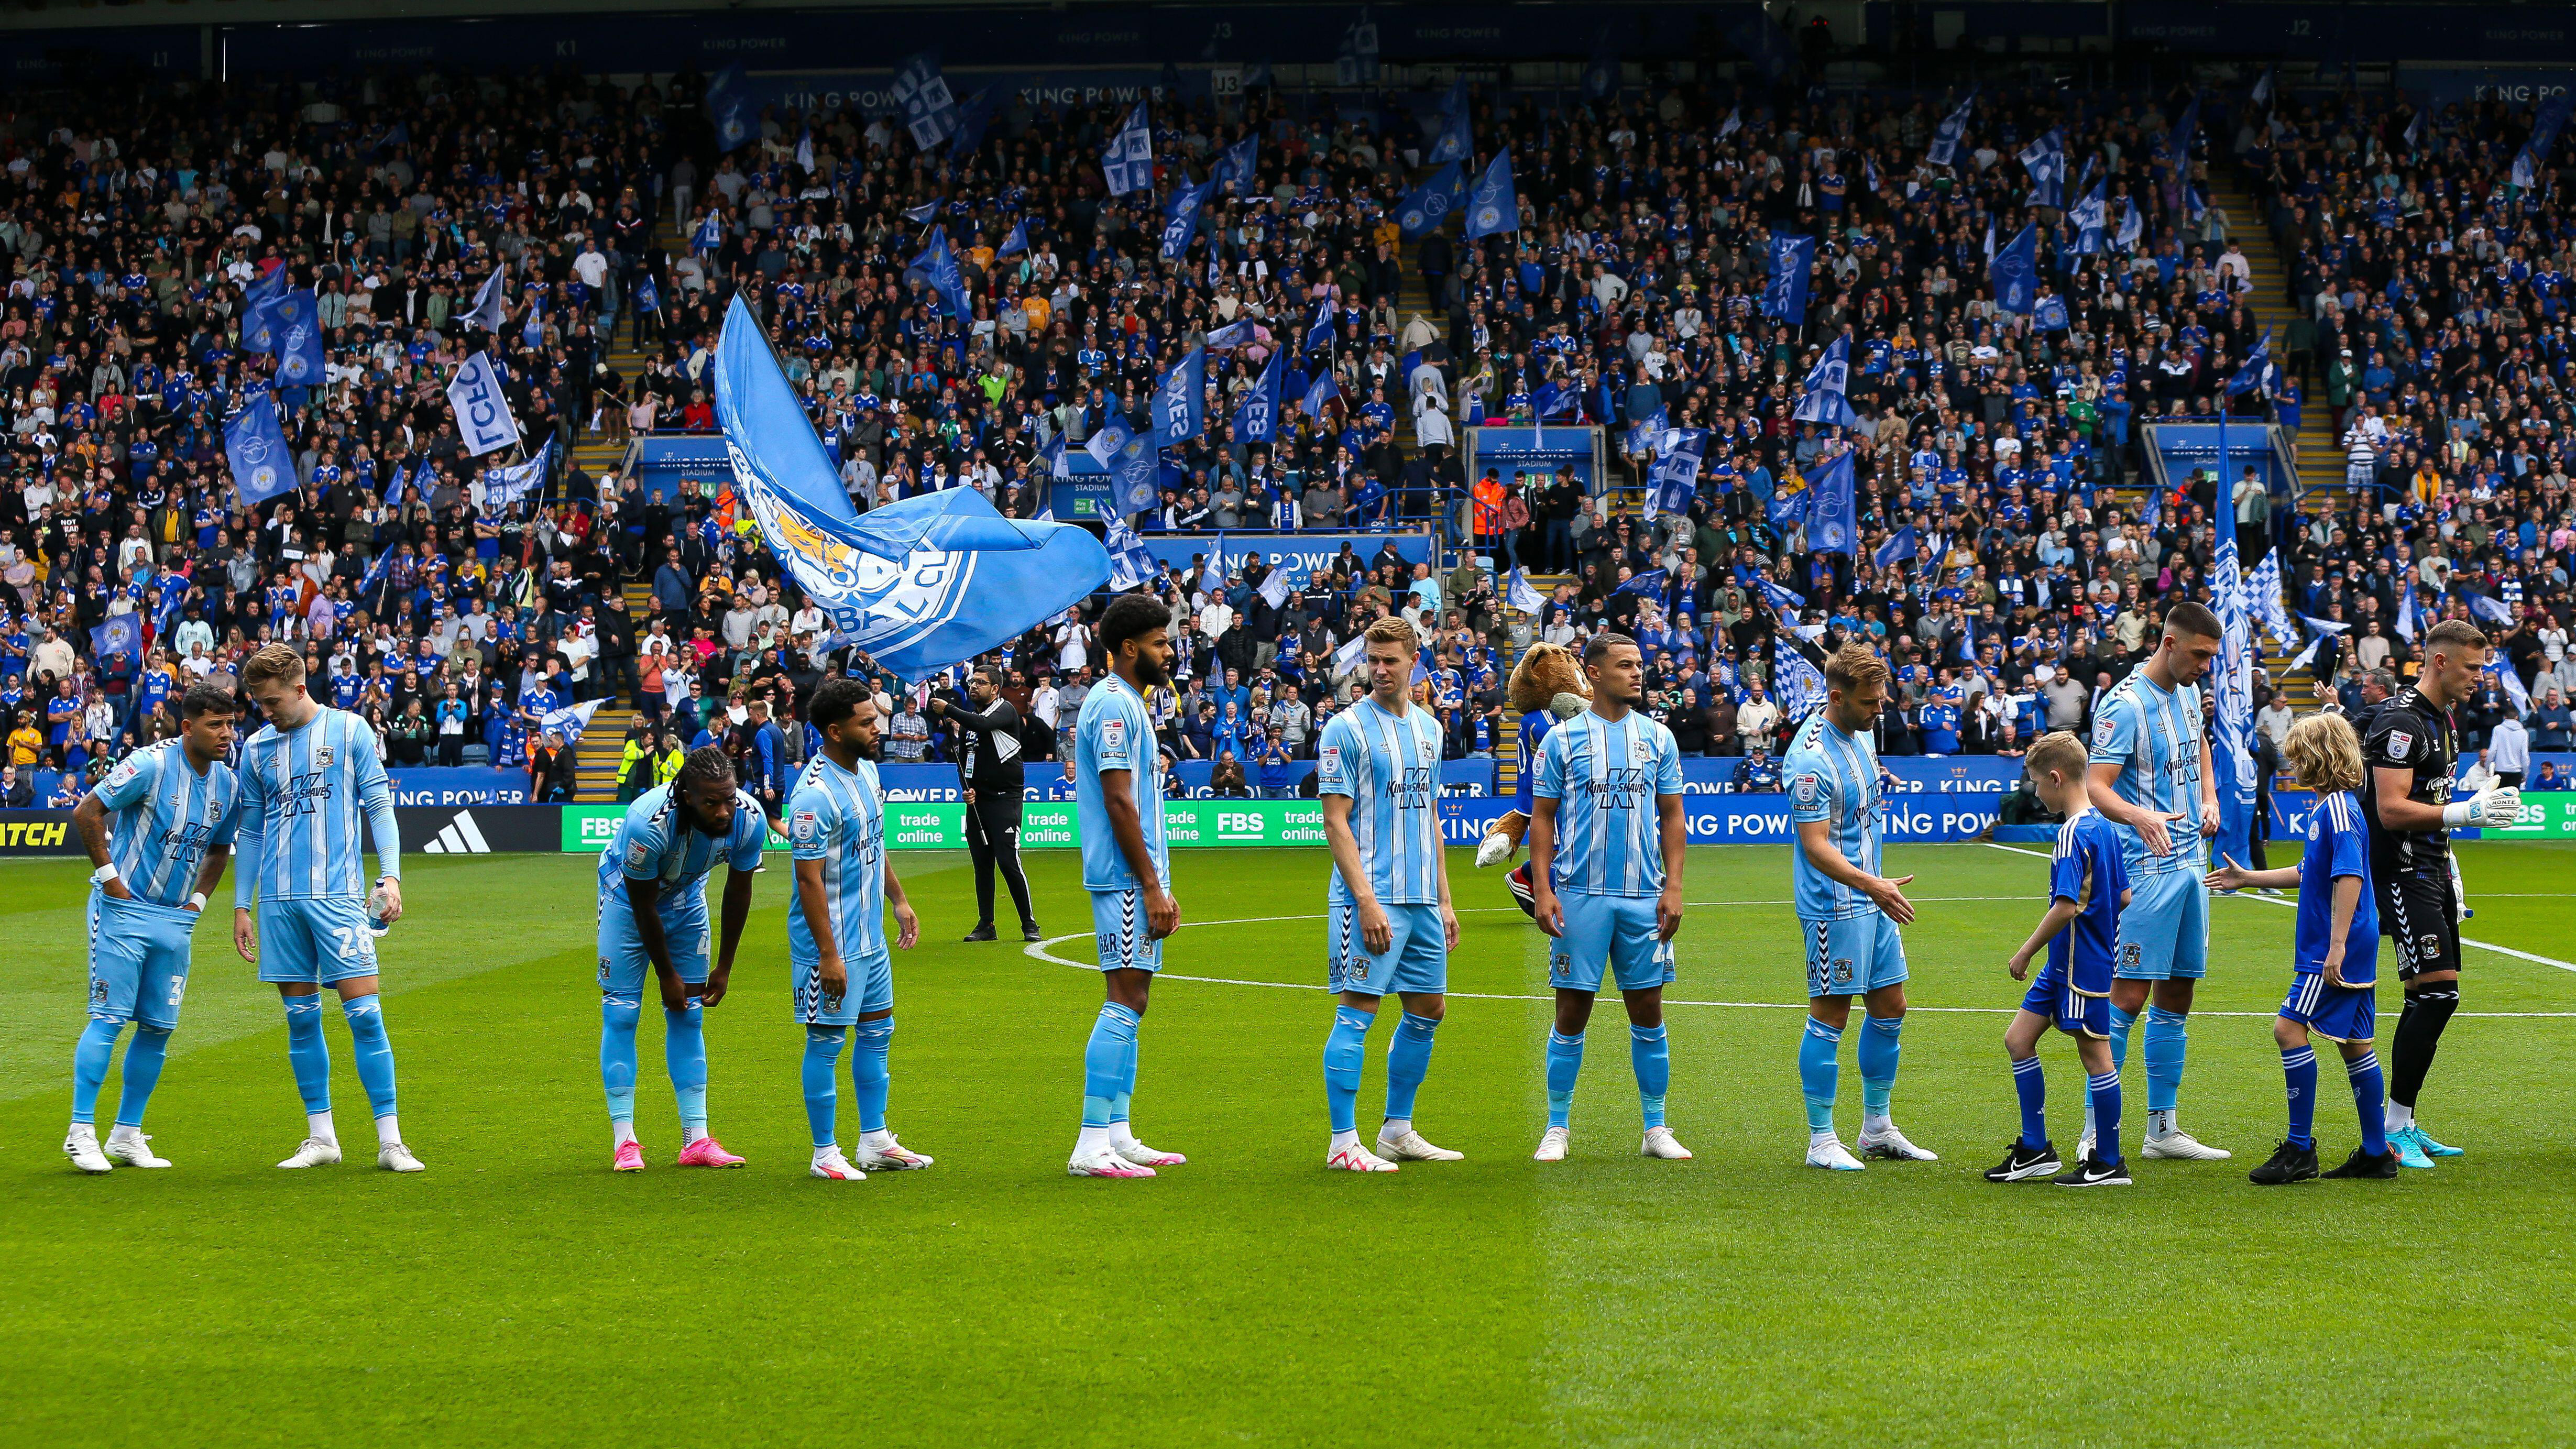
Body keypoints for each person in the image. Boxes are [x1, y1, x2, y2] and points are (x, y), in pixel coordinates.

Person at [229, 644, 418, 1172]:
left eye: (271, 701)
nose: (266, 711)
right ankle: (322, 1138)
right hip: (279, 904)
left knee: (365, 1017)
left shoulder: (350, 729)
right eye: (259, 703)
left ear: (298, 686)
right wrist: (242, 906)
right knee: (300, 1020)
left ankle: (391, 1141)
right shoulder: (256, 748)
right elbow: (250, 829)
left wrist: (391, 876)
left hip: (337, 900)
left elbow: (378, 803)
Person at [2209, 713, 2402, 1183]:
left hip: (2331, 948)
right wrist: (2249, 878)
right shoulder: (2334, 807)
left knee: (2288, 1030)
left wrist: (2334, 946)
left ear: (2317, 758)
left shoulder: (2336, 809)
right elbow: (2306, 871)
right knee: (2356, 1045)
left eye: (2297, 757)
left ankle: (2299, 1151)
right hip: (2349, 944)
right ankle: (2375, 1153)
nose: (2291, 766)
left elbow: (2350, 875)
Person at [62, 684, 243, 1173]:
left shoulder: (228, 784)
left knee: (159, 1027)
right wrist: (112, 882)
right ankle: (80, 1133)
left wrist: (199, 903)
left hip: (175, 919)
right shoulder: (150, 764)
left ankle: (126, 1134)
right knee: (109, 1017)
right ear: (187, 727)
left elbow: (219, 848)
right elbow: (87, 812)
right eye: (215, 725)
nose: (226, 734)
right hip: (123, 910)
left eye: (230, 724)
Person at [1527, 632, 1692, 1163]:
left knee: (1648, 1009)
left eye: (1640, 665)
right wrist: (1545, 889)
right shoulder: (1562, 741)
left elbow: (1672, 816)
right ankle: (1557, 1127)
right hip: (1579, 895)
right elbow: (1543, 819)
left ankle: (1656, 1127)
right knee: (1571, 1012)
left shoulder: (1659, 739)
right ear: (1594, 674)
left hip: (1644, 896)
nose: (1637, 673)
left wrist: (1673, 886)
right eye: (1625, 666)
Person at [2361, 619, 2522, 1168]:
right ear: (2440, 662)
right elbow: (2390, 809)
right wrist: (2466, 812)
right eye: (2473, 667)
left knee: (2431, 998)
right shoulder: (2403, 721)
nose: (2482, 677)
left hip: (2432, 870)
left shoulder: (2441, 719)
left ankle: (2400, 1122)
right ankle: (2392, 1127)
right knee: (2437, 995)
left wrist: (2451, 860)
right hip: (2403, 874)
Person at [1314, 617, 1464, 1173]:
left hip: (1422, 897)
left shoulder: (1430, 729)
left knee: (1428, 1009)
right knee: (1358, 1012)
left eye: (1390, 660)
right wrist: (1366, 900)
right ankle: (1342, 1142)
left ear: (1413, 662)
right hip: (1370, 898)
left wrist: (1445, 900)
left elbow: (1430, 820)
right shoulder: (1345, 730)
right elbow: (1335, 822)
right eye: (1371, 660)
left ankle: (1397, 1130)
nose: (1379, 670)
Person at [2081, 602, 2229, 1163]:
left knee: (2180, 991)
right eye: (2198, 655)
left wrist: (2210, 797)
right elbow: (2098, 786)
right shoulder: (2124, 705)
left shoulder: (2190, 693)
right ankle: (2099, 1128)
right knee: (2128, 995)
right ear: (2168, 643)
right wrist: (2140, 817)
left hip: (2193, 862)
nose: (2203, 667)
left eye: (2210, 658)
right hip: (2144, 869)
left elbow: (2202, 750)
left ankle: (2162, 1129)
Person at [1784, 644, 1936, 1170]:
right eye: (1870, 702)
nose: (1880, 711)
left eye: (1882, 700)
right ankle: (1821, 1140)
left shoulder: (1864, 734)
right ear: (1836, 697)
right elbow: (1816, 845)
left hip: (1875, 897)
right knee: (1831, 1015)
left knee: (1891, 1006)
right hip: (1835, 904)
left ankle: (1876, 1128)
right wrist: (1872, 885)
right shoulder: (1809, 760)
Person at [593, 745, 767, 1172]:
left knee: (689, 1015)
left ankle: (697, 1140)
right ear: (686, 797)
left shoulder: (749, 819)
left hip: (688, 901)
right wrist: (667, 975)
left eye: (729, 797)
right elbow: (643, 904)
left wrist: (724, 966)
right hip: (626, 902)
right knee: (621, 1015)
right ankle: (625, 1141)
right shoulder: (646, 825)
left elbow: (738, 890)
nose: (725, 811)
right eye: (712, 802)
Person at [1068, 594, 1189, 1178]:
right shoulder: (1114, 706)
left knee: (1134, 999)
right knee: (1126, 997)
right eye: (1161, 643)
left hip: (1133, 878)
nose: (1169, 652)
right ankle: (1091, 1143)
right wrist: (1149, 885)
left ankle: (1118, 1133)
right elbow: (1118, 799)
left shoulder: (1127, 704)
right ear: (1128, 648)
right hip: (1122, 879)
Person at [788, 678, 927, 1181]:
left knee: (877, 1033)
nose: (878, 729)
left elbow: (874, 840)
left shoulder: (867, 772)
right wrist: (828, 955)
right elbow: (807, 880)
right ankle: (824, 1153)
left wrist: (900, 899)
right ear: (833, 730)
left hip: (870, 939)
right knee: (826, 1042)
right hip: (832, 946)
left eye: (876, 718)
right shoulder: (813, 796)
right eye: (866, 722)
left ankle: (874, 1141)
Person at [1989, 730, 2131, 1188]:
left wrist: (2024, 950)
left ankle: (2108, 1161)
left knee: (2096, 1057)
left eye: (2035, 782)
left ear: (2054, 778)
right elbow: (2124, 896)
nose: (2034, 792)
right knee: (2018, 1040)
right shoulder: (2106, 828)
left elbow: (2066, 906)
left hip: (2078, 966)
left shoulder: (2073, 834)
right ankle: (2035, 1149)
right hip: (2066, 963)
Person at [929, 666, 1039, 942]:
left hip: (1005, 799)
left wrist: (948, 709)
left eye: (981, 682)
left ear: (995, 689)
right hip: (978, 801)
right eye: (972, 682)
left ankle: (1029, 924)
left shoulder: (1005, 711)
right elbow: (963, 760)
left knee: (1007, 859)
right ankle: (986, 924)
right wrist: (966, 789)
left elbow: (984, 725)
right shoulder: (970, 722)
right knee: (982, 864)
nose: (974, 686)